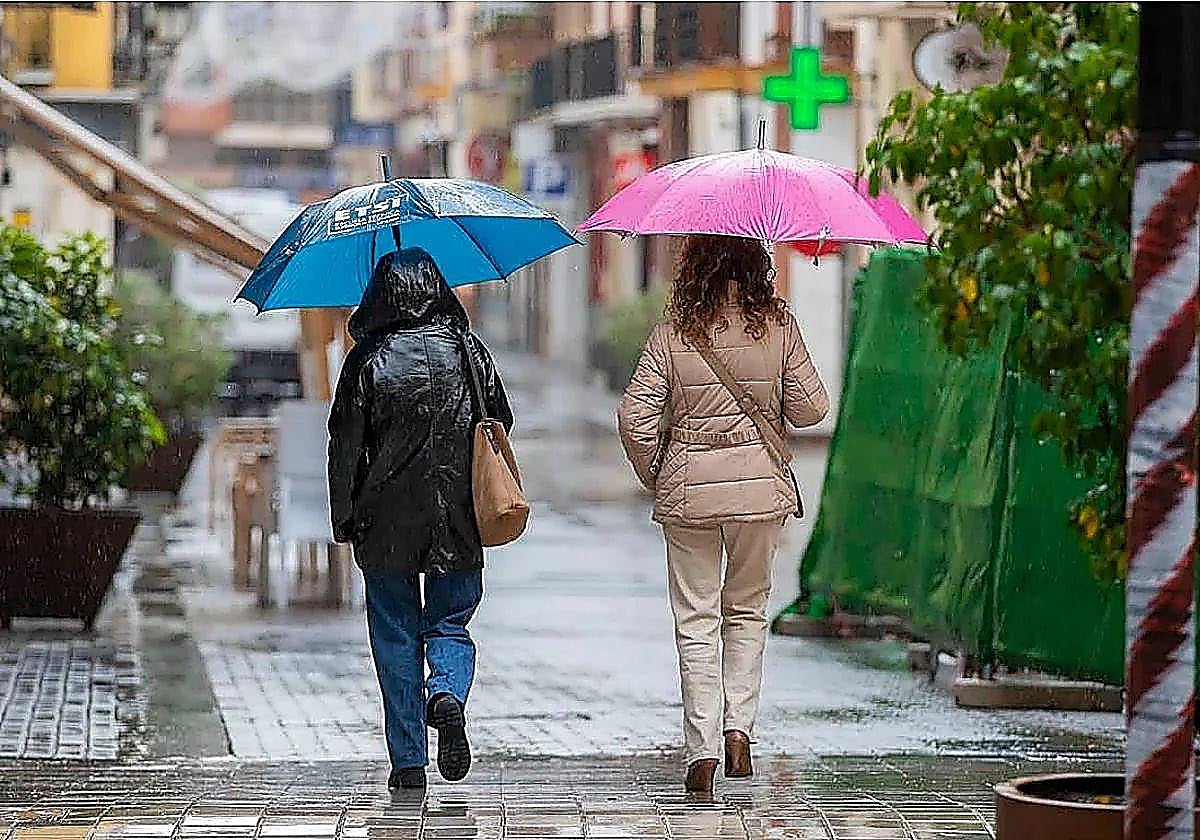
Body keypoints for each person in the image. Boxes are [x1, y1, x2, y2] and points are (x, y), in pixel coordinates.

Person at [617, 234, 829, 794]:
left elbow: (634, 419)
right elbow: (813, 408)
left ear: (696, 266)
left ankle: (702, 749)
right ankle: (739, 731)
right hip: (760, 494)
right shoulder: (777, 325)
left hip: (690, 496)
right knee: (747, 611)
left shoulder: (674, 331)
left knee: (696, 617)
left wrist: (658, 473)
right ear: (756, 264)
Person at [327, 247, 512, 791]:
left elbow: (345, 446)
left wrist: (344, 516)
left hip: (384, 522)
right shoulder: (468, 351)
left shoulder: (366, 359)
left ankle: (409, 762)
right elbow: (499, 420)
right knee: (450, 622)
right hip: (457, 515)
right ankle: (447, 692)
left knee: (395, 636)